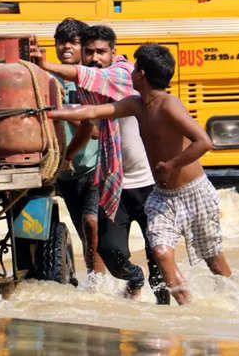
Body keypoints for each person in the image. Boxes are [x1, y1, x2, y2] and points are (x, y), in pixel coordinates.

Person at [48, 43, 232, 305]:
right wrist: (52, 113)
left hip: (194, 192)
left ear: (141, 75)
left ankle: (235, 299)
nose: (130, 71)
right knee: (160, 251)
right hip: (163, 196)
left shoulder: (169, 105)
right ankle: (188, 310)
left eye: (134, 68)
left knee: (212, 257)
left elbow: (203, 141)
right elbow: (92, 112)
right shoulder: (136, 104)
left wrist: (172, 164)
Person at [31, 27, 169, 304]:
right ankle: (134, 276)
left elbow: (94, 82)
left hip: (149, 183)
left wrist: (45, 65)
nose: (95, 57)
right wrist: (68, 154)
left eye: (101, 52)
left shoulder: (122, 73)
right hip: (115, 183)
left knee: (158, 254)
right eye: (90, 52)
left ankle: (165, 312)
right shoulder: (91, 87)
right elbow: (88, 123)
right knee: (109, 250)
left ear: (113, 53)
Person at [51, 18, 104, 274]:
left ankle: (101, 282)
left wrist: (65, 112)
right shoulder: (48, 81)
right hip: (65, 170)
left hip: (95, 164)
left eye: (73, 42)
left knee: (92, 222)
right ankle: (96, 282)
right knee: (84, 232)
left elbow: (93, 130)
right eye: (61, 42)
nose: (66, 48)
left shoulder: (93, 79)